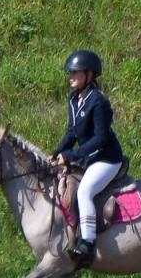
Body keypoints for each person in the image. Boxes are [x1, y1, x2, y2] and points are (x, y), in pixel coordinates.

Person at [50, 49, 125, 266]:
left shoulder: (98, 102)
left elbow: (100, 139)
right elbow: (72, 132)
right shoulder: (74, 99)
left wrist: (71, 155)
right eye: (70, 72)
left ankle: (87, 243)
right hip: (89, 157)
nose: (71, 76)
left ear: (89, 74)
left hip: (107, 158)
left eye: (75, 72)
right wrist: (57, 152)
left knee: (84, 191)